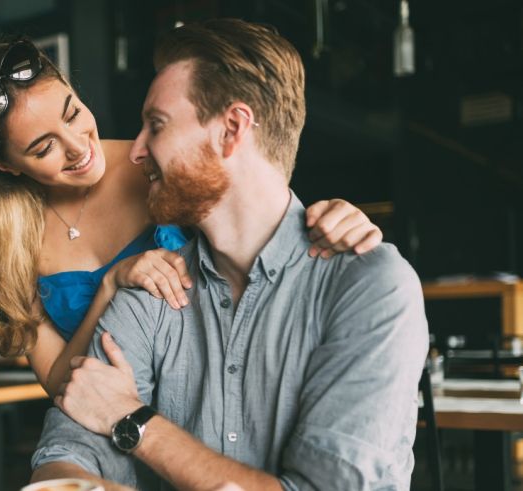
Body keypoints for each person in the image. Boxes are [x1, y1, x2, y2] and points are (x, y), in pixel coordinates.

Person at [31, 18, 428, 490]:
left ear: (232, 129)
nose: (136, 152)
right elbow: (66, 452)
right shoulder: (154, 287)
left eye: (155, 126)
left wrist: (133, 421)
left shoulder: (369, 284)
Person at [0, 33, 383, 399]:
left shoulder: (156, 163)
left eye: (73, 114)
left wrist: (332, 221)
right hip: (105, 432)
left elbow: (263, 225)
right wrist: (111, 286)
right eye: (44, 147)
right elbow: (57, 381)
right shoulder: (9, 239)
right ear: (4, 165)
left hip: (221, 403)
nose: (78, 149)